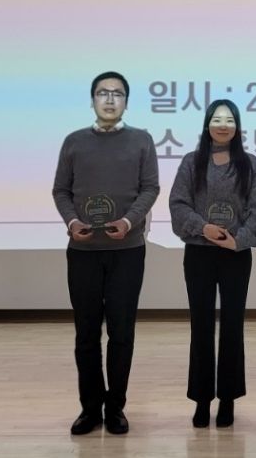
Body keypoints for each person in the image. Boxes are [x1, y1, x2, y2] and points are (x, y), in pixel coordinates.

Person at [52, 71, 159, 435]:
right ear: (92, 100)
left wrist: (129, 221)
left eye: (117, 93)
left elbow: (150, 188)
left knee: (121, 333)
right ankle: (89, 408)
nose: (110, 99)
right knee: (86, 334)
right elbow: (61, 190)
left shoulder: (142, 140)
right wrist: (71, 222)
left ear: (126, 101)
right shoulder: (74, 142)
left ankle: (115, 408)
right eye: (103, 93)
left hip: (127, 251)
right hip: (83, 251)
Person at [169, 99, 256, 428]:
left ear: (237, 126)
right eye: (217, 119)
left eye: (229, 120)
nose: (223, 125)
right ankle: (201, 399)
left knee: (233, 325)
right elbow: (178, 204)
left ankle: (227, 399)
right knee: (201, 325)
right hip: (199, 253)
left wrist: (238, 240)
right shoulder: (191, 162)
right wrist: (203, 228)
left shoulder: (249, 164)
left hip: (235, 254)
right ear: (207, 124)